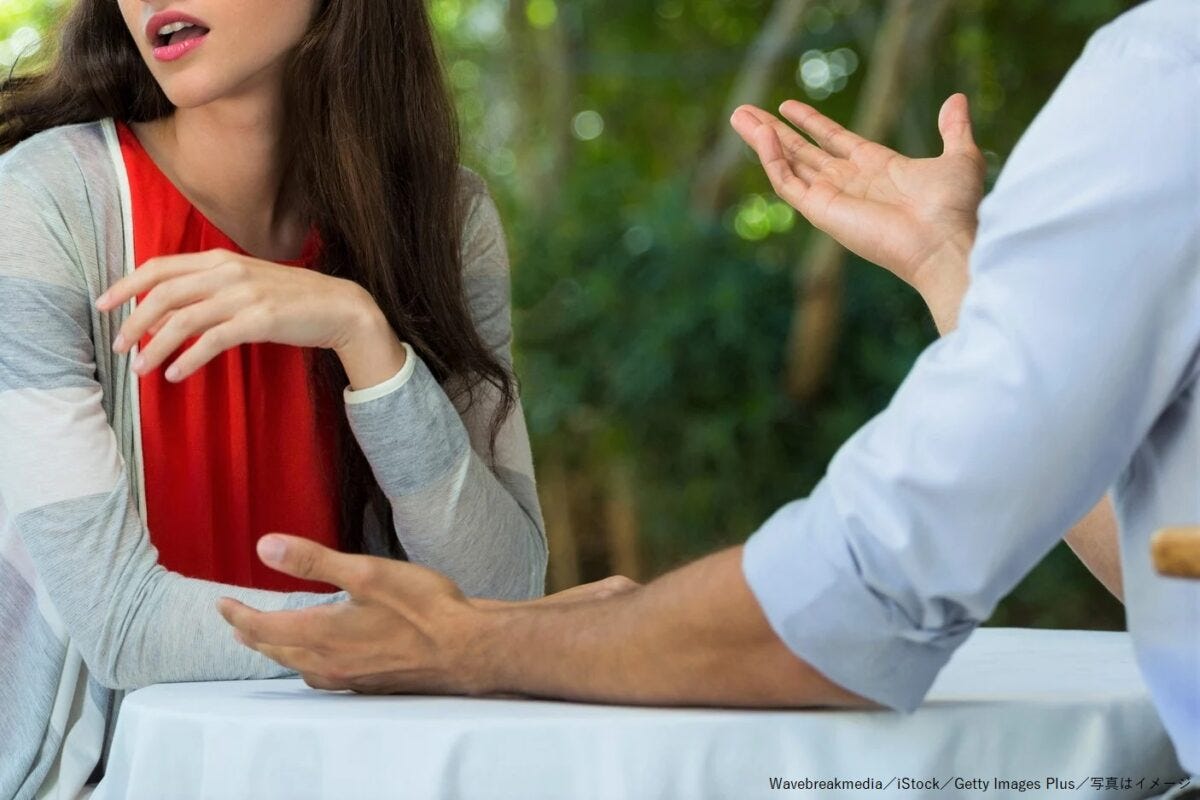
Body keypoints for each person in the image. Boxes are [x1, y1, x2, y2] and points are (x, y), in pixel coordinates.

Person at [220, 0, 1199, 791]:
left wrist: (478, 640)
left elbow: (847, 600)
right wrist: (955, 269)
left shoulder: (1166, 78)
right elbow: (1172, 567)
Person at [0, 0, 547, 797]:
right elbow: (119, 623)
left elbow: (503, 591)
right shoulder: (40, 203)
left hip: (369, 775)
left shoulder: (442, 221)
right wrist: (426, 640)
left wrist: (365, 338)